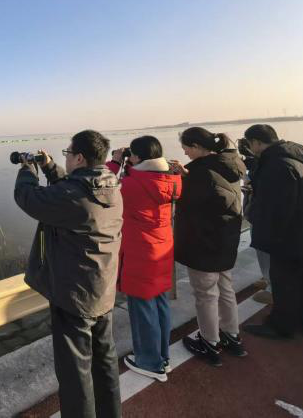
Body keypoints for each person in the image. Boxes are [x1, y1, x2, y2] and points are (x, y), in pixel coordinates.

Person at [14, 129, 123, 418]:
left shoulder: (74, 197)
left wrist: (27, 168)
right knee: (105, 363)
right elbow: (73, 188)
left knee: (75, 374)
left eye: (67, 153)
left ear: (79, 157)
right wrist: (50, 167)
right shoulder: (111, 185)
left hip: (74, 296)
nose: (66, 157)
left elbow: (28, 197)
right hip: (103, 290)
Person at [106, 136, 181, 382]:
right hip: (162, 248)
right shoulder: (171, 179)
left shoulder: (132, 185)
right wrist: (129, 165)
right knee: (160, 303)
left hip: (140, 253)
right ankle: (162, 357)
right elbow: (142, 179)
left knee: (142, 309)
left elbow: (103, 188)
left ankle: (149, 362)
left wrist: (115, 162)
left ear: (137, 157)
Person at [170, 127, 247, 366]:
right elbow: (215, 194)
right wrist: (187, 174)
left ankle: (210, 342)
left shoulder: (200, 173)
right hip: (226, 238)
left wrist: (183, 177)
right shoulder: (228, 165)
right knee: (225, 289)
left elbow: (191, 201)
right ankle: (232, 336)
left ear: (196, 146)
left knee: (205, 295)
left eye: (186, 147)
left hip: (203, 242)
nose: (184, 152)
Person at [241, 124, 303, 339]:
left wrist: (265, 230)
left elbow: (276, 208)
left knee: (284, 282)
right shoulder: (295, 158)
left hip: (287, 238)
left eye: (250, 144)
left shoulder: (276, 166)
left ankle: (281, 326)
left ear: (256, 142)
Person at [239, 138, 273, 304]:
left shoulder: (263, 164)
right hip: (255, 211)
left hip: (263, 214)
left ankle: (273, 288)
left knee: (267, 251)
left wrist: (250, 185)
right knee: (261, 249)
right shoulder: (253, 163)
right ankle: (267, 278)